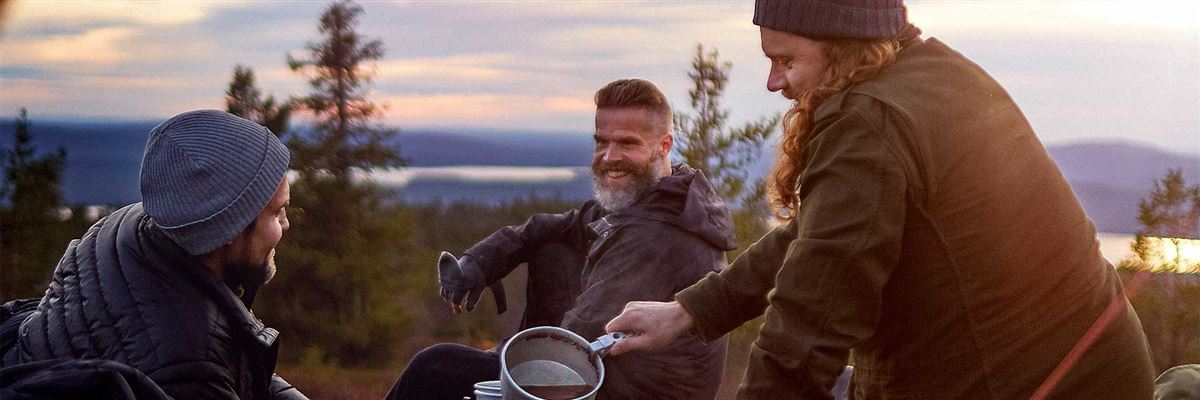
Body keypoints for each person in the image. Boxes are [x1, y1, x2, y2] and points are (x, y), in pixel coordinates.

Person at [604, 1, 1156, 399]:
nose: (775, 82)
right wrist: (689, 311)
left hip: (1031, 382)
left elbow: (811, 320)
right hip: (1095, 366)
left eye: (786, 60)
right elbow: (823, 234)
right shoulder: (931, 71)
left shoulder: (871, 121)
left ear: (841, 47)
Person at [387, 79, 733, 400]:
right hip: (607, 375)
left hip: (630, 392)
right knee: (552, 247)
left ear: (665, 145)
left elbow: (569, 351)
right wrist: (479, 263)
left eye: (628, 143)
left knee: (434, 367)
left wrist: (502, 363)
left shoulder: (656, 235)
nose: (610, 157)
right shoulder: (655, 198)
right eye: (602, 142)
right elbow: (548, 227)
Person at [0, 110, 307, 399]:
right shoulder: (190, 360)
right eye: (277, 212)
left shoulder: (134, 225)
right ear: (228, 229)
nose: (286, 223)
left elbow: (245, 370)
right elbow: (207, 369)